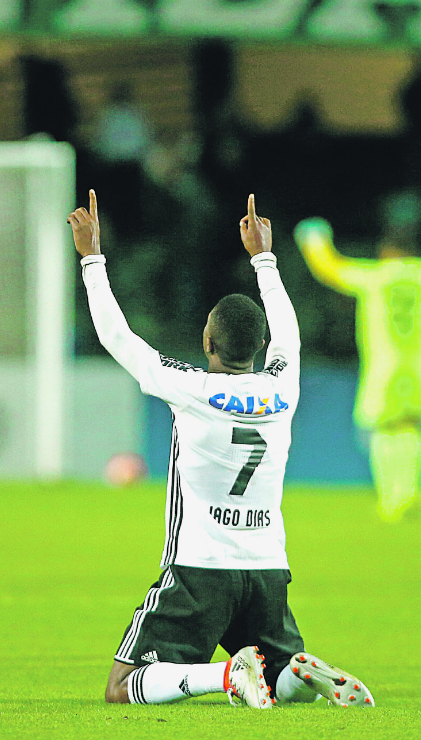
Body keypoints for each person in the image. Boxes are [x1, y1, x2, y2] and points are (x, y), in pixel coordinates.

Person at [71, 190, 373, 709]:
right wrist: (265, 259)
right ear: (259, 348)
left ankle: (226, 678)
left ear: (208, 343)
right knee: (277, 683)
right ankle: (295, 671)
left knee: (121, 688)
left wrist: (92, 258)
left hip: (198, 568)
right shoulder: (282, 388)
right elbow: (289, 335)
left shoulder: (190, 388)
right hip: (267, 570)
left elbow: (117, 337)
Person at [294, 193, 421, 521]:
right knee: (414, 427)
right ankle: (411, 492)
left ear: (384, 252)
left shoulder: (373, 277)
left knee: (384, 428)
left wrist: (313, 238)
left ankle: (390, 498)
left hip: (384, 364)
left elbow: (330, 269)